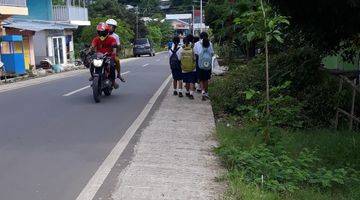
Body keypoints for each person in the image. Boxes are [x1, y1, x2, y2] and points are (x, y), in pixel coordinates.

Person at [90, 22, 118, 89]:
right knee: (91, 64)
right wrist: (90, 50)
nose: (101, 34)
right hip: (99, 56)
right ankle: (93, 76)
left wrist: (113, 54)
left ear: (107, 31)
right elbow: (92, 46)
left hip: (108, 56)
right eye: (99, 32)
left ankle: (113, 81)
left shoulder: (112, 39)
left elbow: (114, 47)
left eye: (103, 32)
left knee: (112, 67)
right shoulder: (96, 39)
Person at [194, 32, 214, 101]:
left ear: (200, 37)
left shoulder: (196, 44)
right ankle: (206, 92)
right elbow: (212, 54)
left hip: (199, 63)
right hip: (207, 64)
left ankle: (202, 91)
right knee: (206, 79)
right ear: (207, 36)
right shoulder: (210, 43)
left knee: (201, 78)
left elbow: (195, 54)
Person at [181, 34, 196, 100]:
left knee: (186, 81)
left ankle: (187, 92)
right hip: (192, 68)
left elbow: (179, 58)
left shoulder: (182, 48)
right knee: (192, 81)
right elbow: (195, 58)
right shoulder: (193, 48)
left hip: (184, 68)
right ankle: (191, 94)